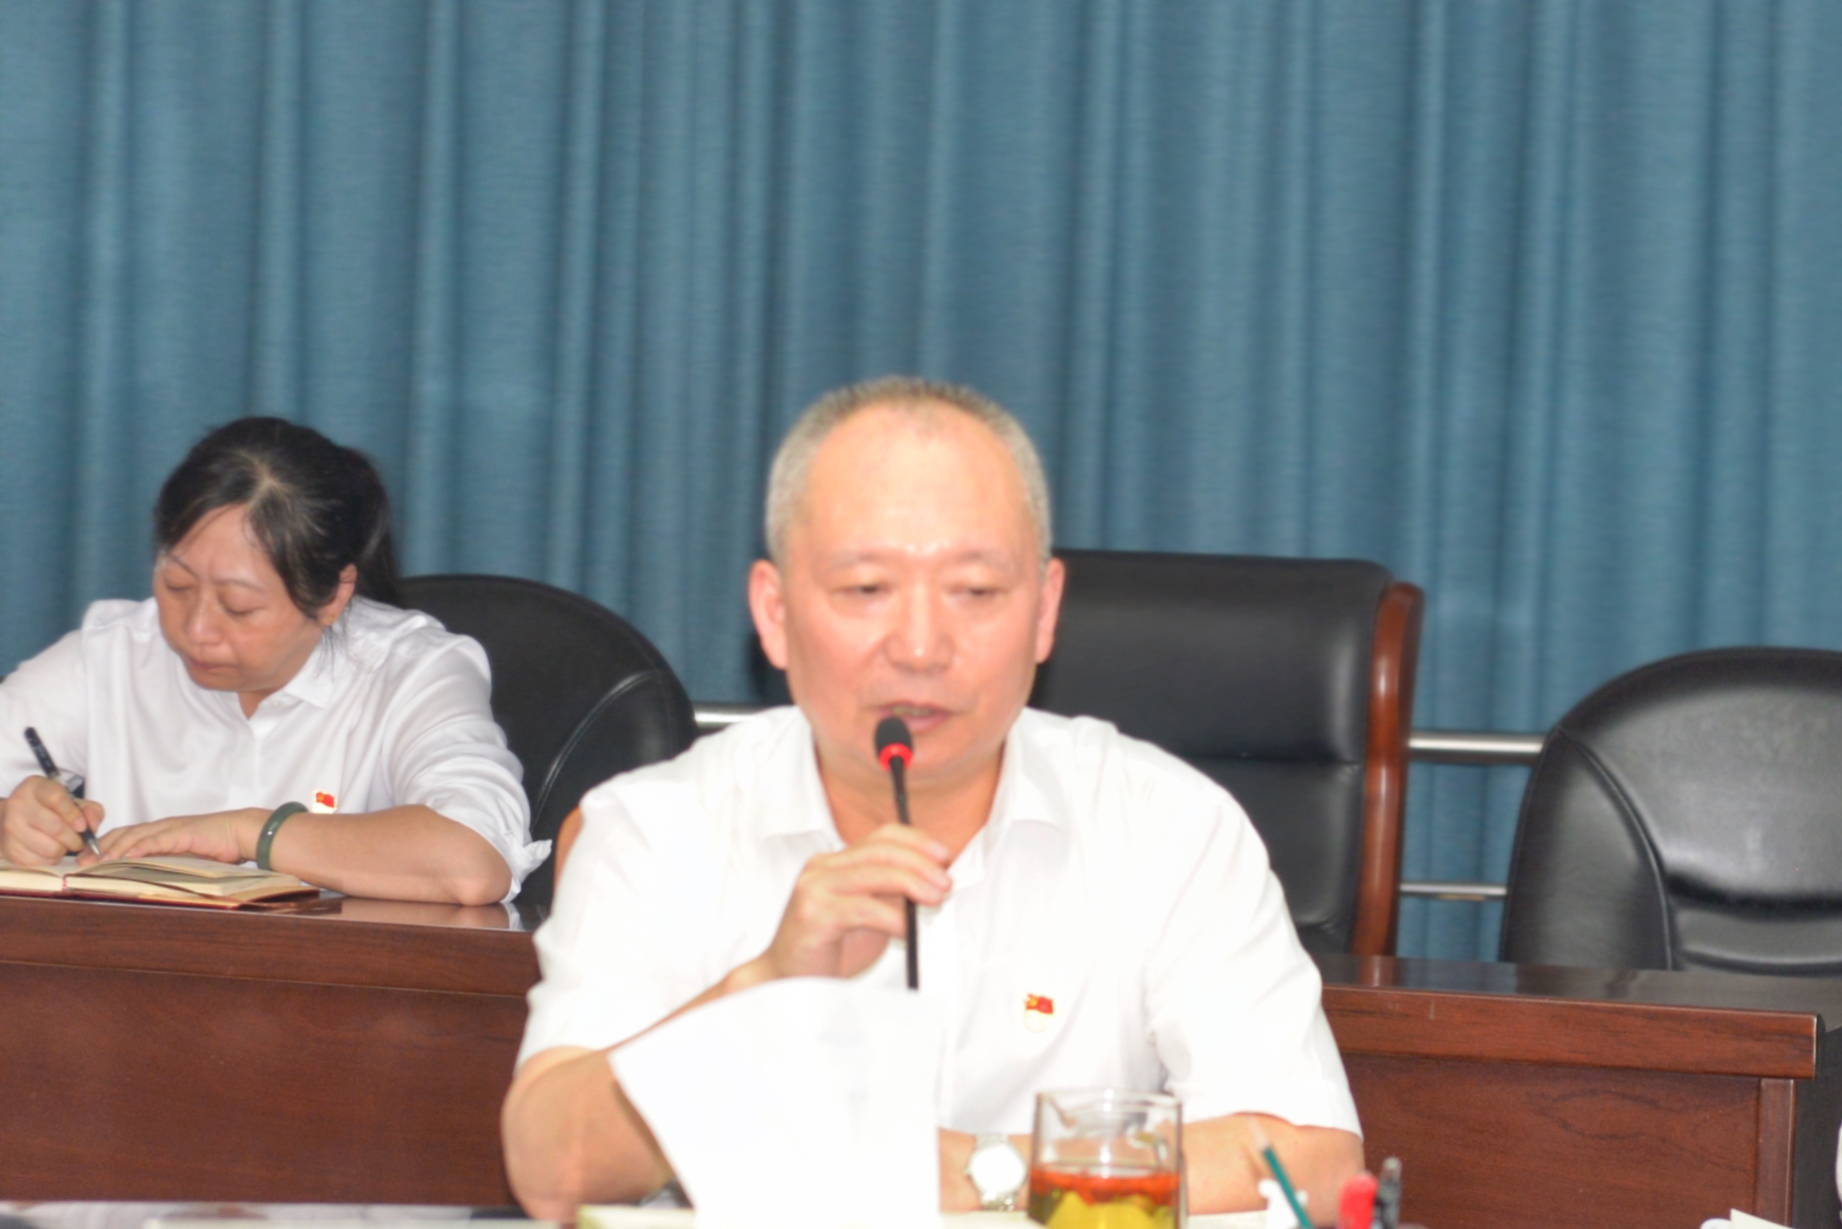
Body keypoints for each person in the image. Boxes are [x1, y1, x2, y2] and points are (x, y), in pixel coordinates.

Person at [502, 377, 1365, 1220]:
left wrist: (984, 1171)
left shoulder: (1168, 826)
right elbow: (551, 1172)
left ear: (1044, 611)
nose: (919, 647)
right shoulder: (658, 828)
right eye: (866, 589)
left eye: (976, 591)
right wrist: (764, 986)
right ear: (774, 613)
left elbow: (1313, 1163)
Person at [0, 417, 543, 905]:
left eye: (239, 607)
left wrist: (249, 834)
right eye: (178, 586)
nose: (197, 630)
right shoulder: (114, 653)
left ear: (333, 596)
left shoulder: (411, 672)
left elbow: (474, 861)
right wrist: (11, 821)